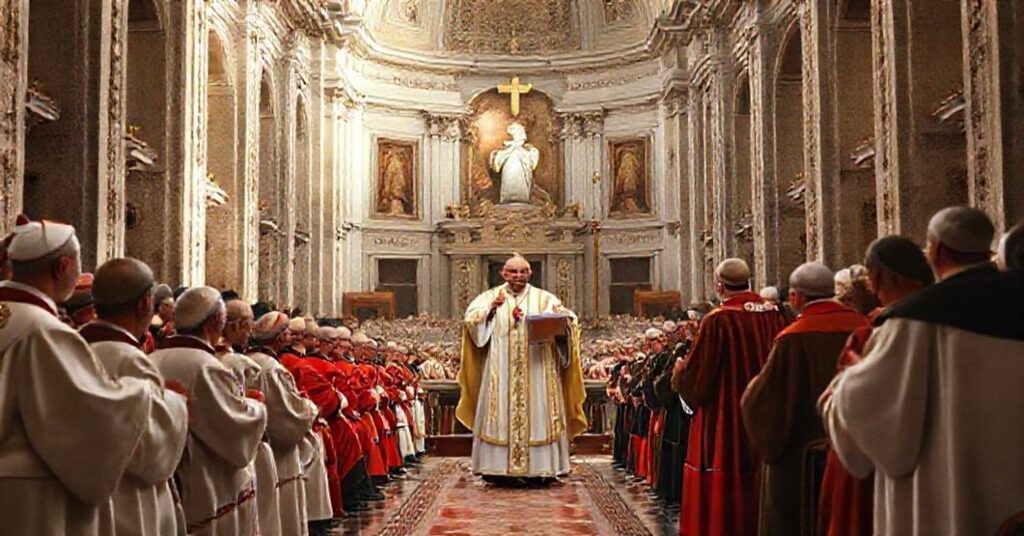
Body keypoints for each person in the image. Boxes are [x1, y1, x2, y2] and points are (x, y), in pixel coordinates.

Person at [828, 206, 1024, 534]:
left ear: (937, 250)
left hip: (948, 491)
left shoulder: (913, 320)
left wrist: (846, 380)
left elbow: (865, 407)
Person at [0, 219, 159, 535]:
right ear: (62, 266)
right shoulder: (45, 332)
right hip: (29, 493)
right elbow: (87, 416)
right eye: (78, 265)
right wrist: (143, 391)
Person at [816, 235, 934, 536]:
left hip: (876, 470)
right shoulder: (962, 318)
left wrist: (841, 389)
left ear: (879, 277)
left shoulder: (878, 331)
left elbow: (846, 406)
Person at [741, 262, 868, 535]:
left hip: (799, 458)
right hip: (856, 451)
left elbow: (761, 402)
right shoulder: (863, 326)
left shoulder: (792, 338)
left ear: (797, 297)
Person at [671, 258, 788, 536]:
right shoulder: (774, 312)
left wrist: (680, 374)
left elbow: (700, 373)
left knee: (727, 471)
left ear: (719, 286)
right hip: (769, 412)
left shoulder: (719, 319)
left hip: (728, 414)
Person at [80, 258, 190, 536]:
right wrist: (176, 403)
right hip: (128, 500)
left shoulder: (71, 350)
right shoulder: (132, 362)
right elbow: (151, 453)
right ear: (144, 305)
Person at [457, 254, 588, 479]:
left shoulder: (545, 299)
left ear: (530, 273)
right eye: (513, 272)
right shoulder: (490, 297)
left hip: (538, 370)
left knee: (540, 415)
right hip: (501, 373)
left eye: (523, 272)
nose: (518, 276)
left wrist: (562, 321)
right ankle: (495, 469)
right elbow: (471, 322)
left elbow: (569, 319)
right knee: (498, 416)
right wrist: (490, 309)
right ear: (503, 274)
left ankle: (541, 469)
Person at [150, 287, 268, 535]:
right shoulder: (207, 368)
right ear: (216, 320)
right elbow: (235, 433)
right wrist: (256, 405)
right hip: (207, 482)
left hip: (167, 482)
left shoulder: (152, 360)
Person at [244, 311, 318, 536]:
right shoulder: (272, 369)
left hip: (253, 446)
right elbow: (288, 415)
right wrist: (309, 408)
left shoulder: (248, 361)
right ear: (278, 338)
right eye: (287, 332)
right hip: (276, 452)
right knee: (280, 515)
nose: (291, 336)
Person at [219, 300, 282, 536]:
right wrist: (256, 404)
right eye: (248, 326)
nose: (250, 332)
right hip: (233, 457)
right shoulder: (235, 364)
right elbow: (235, 417)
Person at [490, 122, 540, 204]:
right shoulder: (505, 149)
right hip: (507, 173)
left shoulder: (529, 150)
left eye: (517, 133)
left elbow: (532, 164)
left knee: (520, 184)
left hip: (522, 174)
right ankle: (507, 198)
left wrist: (519, 151)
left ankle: (521, 197)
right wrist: (509, 150)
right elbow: (496, 165)